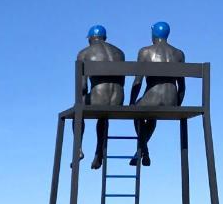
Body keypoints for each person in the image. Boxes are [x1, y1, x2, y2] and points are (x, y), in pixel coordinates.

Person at [130, 21, 185, 166]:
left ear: (154, 33)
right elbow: (182, 86)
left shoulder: (145, 52)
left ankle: (142, 150)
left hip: (151, 99)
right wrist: (178, 106)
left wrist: (131, 103)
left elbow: (137, 82)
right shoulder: (179, 54)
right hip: (171, 100)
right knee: (151, 116)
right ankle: (143, 151)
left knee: (138, 113)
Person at [76, 25, 125, 169]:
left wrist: (81, 102)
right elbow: (122, 81)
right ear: (105, 38)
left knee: (77, 112)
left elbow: (83, 87)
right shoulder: (119, 53)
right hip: (118, 100)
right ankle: (99, 152)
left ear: (91, 39)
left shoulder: (84, 53)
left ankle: (78, 149)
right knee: (103, 116)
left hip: (98, 99)